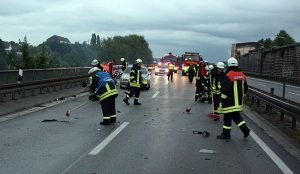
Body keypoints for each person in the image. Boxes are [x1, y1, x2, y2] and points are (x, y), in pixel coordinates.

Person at [217, 57, 251, 139]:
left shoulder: (228, 75)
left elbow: (225, 90)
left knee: (227, 118)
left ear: (228, 65)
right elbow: (245, 89)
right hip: (238, 102)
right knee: (237, 117)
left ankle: (226, 134)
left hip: (229, 102)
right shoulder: (242, 75)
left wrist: (222, 100)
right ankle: (245, 130)